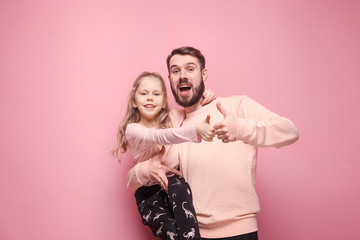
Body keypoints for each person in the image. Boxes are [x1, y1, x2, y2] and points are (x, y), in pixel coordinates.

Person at [127, 47, 299, 240]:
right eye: (176, 71)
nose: (183, 75)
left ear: (204, 74)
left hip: (240, 231)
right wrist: (144, 170)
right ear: (170, 80)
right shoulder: (172, 122)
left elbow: (289, 131)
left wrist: (240, 129)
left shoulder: (236, 106)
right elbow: (133, 181)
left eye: (190, 69)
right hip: (191, 233)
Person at [113, 71, 216, 240]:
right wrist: (194, 131)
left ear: (163, 102)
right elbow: (159, 136)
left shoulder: (173, 118)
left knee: (189, 230)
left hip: (175, 186)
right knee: (173, 234)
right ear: (134, 101)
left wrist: (204, 97)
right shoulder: (133, 130)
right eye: (143, 93)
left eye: (156, 94)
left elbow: (193, 110)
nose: (150, 98)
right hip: (149, 194)